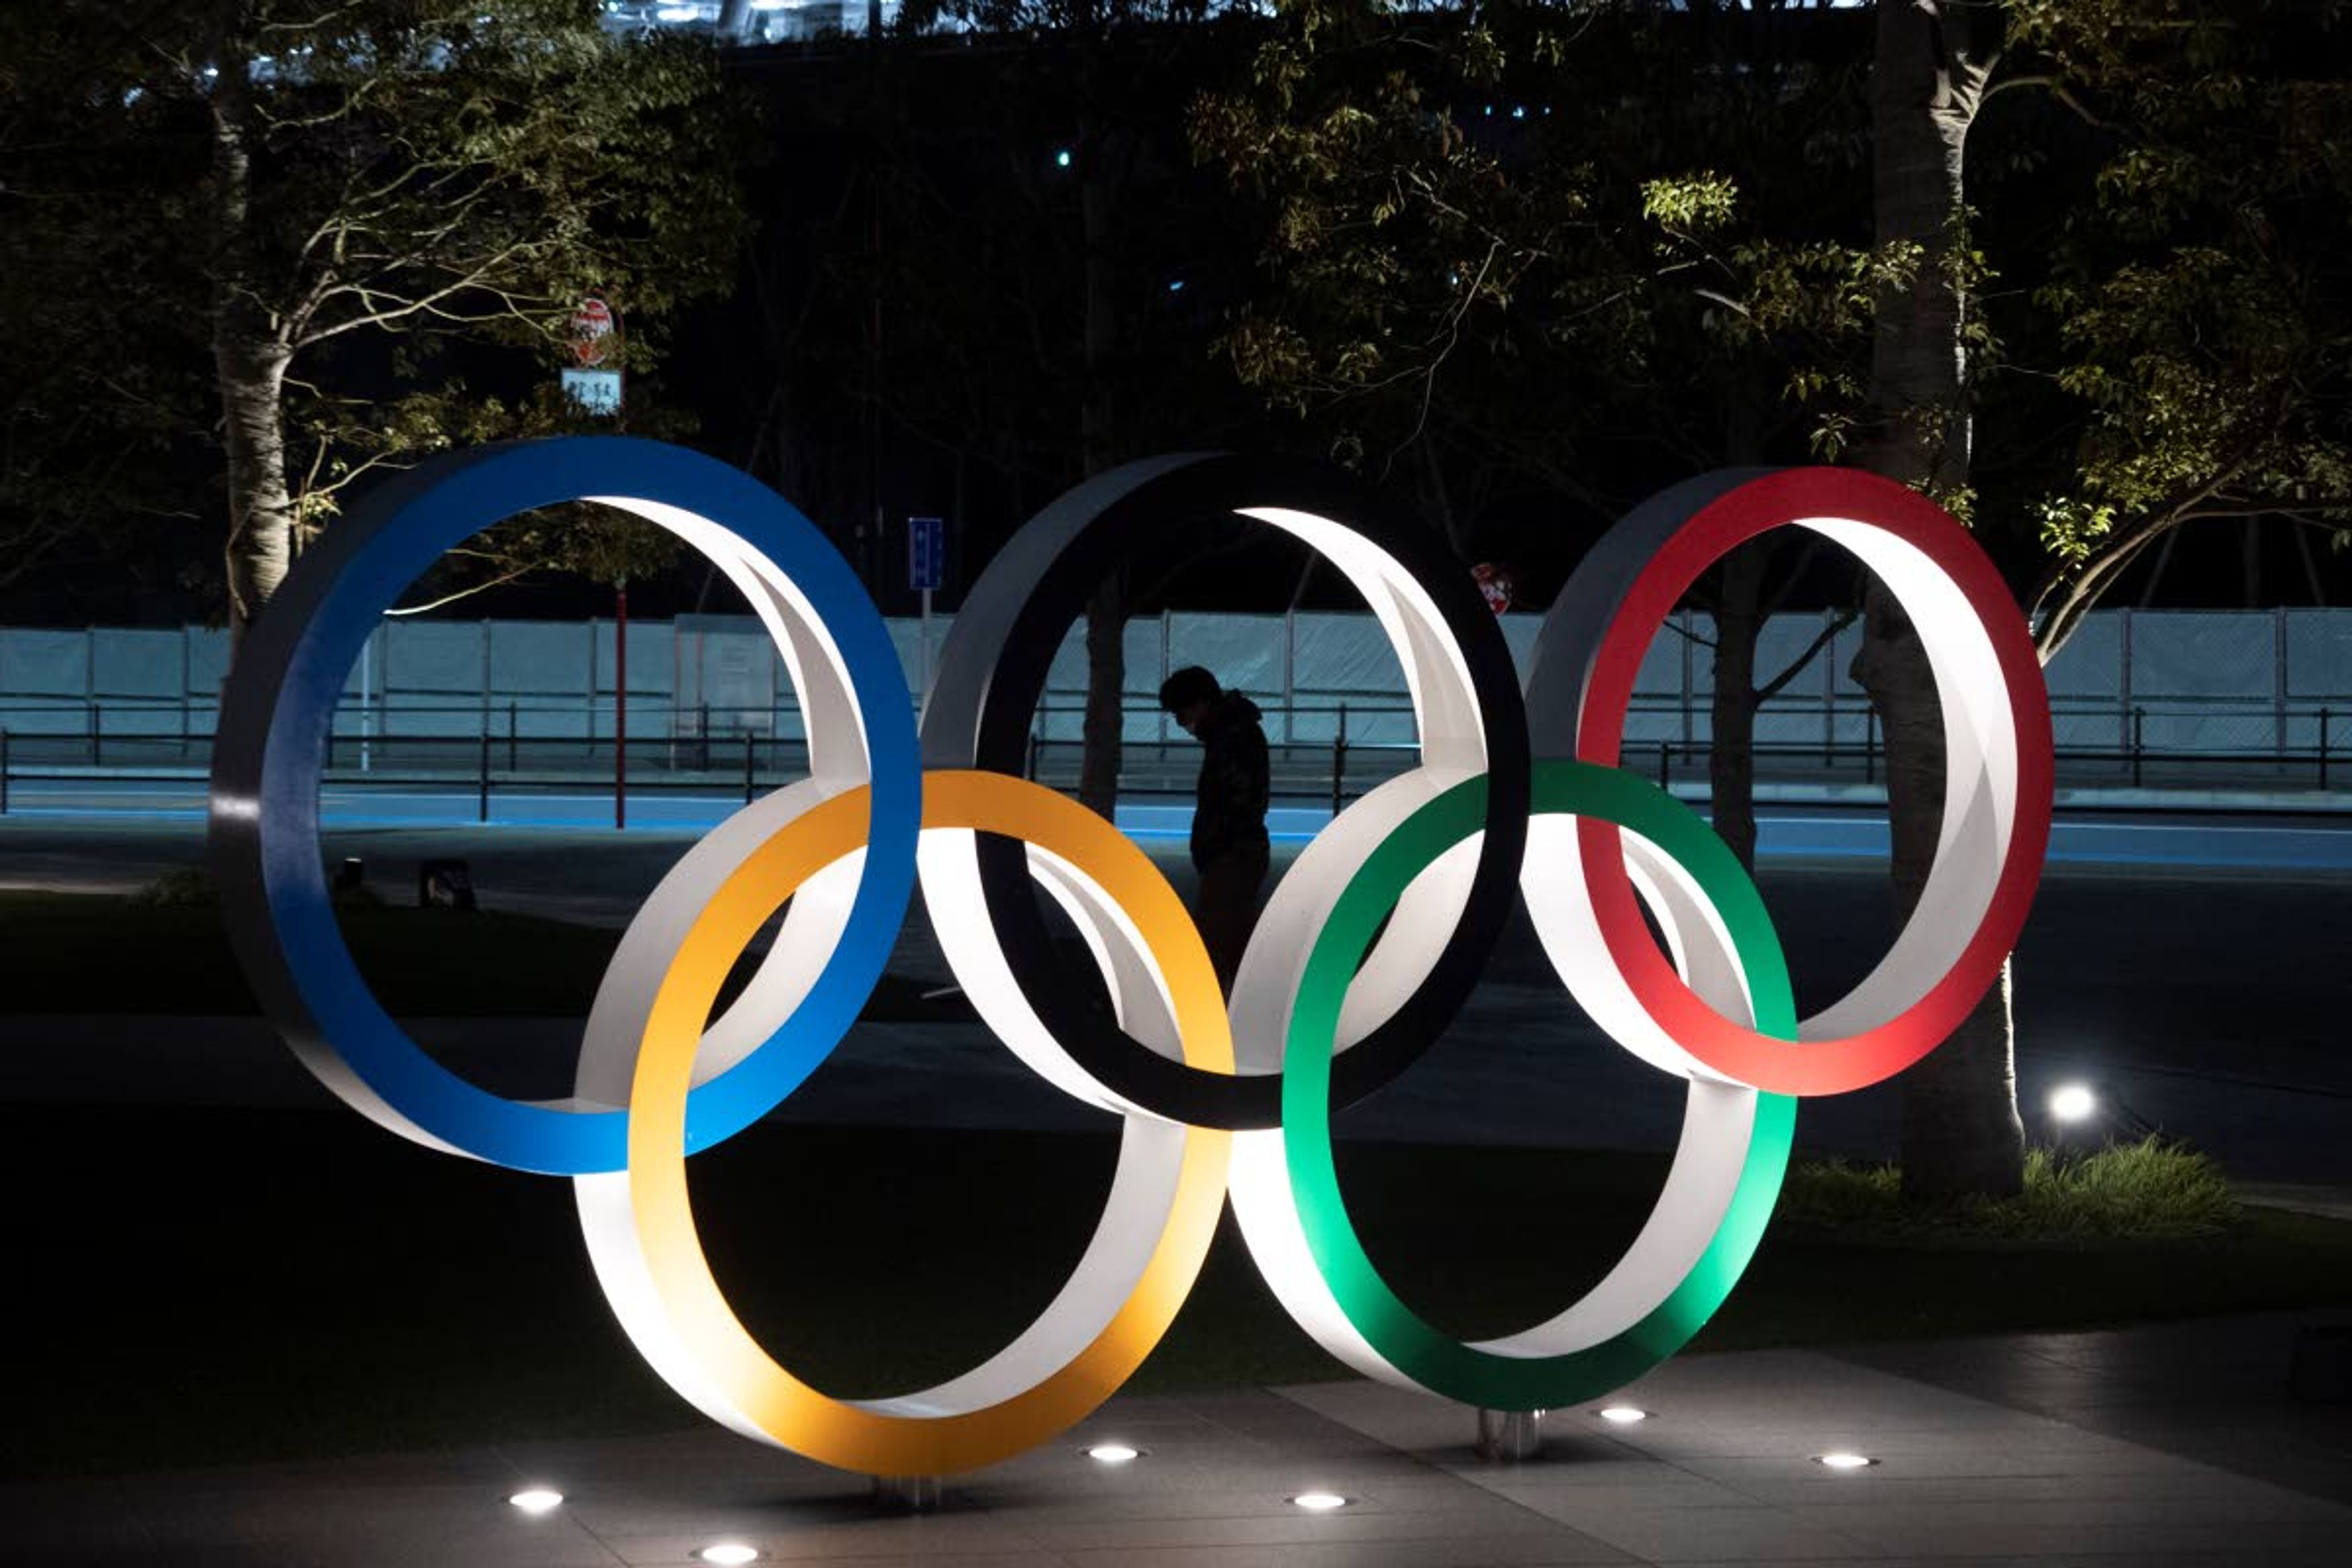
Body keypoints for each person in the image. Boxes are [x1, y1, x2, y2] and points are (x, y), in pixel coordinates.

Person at [1158, 665, 1269, 993]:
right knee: (1237, 943)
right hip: (1236, 852)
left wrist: (1214, 843)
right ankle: (1242, 1017)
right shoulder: (1233, 733)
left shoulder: (1232, 738)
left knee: (1214, 946)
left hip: (1231, 855)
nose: (1182, 722)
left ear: (1202, 702)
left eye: (1183, 711)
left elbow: (1236, 801)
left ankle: (1210, 1024)